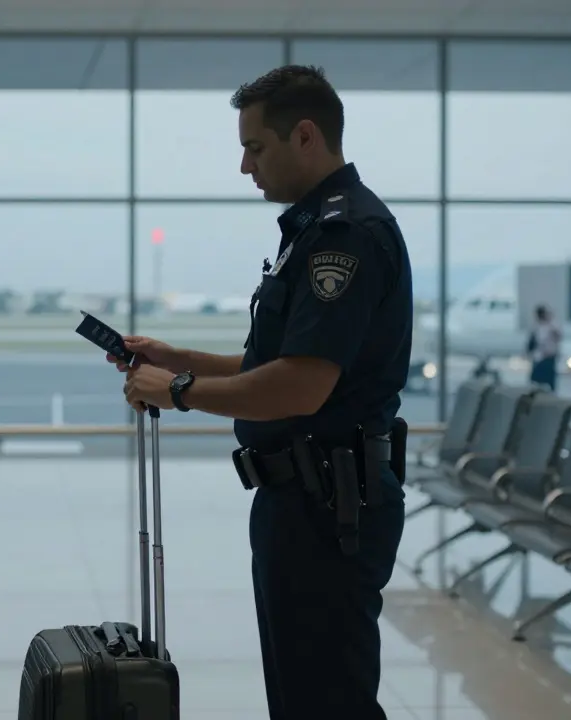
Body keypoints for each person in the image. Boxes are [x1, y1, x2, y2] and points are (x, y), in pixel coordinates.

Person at [116, 65, 412, 720]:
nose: (245, 167)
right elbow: (271, 363)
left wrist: (181, 391)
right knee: (303, 695)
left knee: (326, 701)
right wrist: (179, 358)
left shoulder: (346, 236)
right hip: (306, 497)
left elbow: (302, 386)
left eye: (255, 147)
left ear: (304, 135)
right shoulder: (314, 232)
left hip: (329, 504)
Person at [527, 304, 562, 391]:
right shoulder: (536, 327)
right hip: (539, 356)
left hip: (549, 356)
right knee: (536, 380)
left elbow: (558, 337)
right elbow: (532, 342)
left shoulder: (552, 326)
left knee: (549, 380)